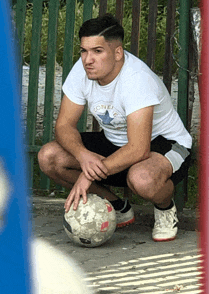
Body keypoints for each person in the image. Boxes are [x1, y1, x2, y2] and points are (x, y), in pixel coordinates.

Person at [38, 13, 192, 242]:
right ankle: (117, 206)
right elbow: (63, 126)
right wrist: (83, 156)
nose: (87, 59)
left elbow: (139, 149)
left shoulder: (137, 80)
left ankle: (165, 208)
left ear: (117, 53)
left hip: (164, 145)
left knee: (142, 179)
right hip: (117, 144)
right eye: (84, 50)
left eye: (97, 51)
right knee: (49, 156)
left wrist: (87, 176)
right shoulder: (82, 71)